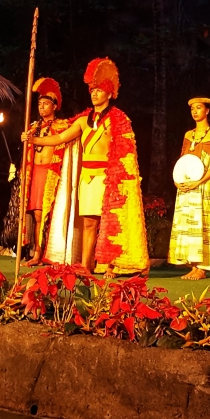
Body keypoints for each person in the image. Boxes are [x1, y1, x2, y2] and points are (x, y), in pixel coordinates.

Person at [22, 57, 149, 277]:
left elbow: (125, 156)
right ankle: (86, 265)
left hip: (109, 178)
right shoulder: (82, 121)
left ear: (109, 94)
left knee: (111, 222)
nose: (94, 94)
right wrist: (33, 140)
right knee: (90, 223)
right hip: (87, 178)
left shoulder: (118, 120)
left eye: (99, 90)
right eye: (92, 90)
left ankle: (112, 265)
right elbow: (59, 138)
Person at [168, 97, 210, 280]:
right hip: (187, 185)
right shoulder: (188, 135)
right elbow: (183, 160)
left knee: (204, 223)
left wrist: (199, 182)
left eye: (199, 108)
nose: (195, 111)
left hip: (206, 184)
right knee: (188, 222)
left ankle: (202, 268)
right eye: (192, 109)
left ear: (207, 110)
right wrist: (178, 180)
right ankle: (192, 265)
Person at [21, 77, 70, 266]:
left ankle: (50, 253)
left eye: (45, 104)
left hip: (51, 173)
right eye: (40, 104)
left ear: (54, 106)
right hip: (34, 173)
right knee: (36, 215)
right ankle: (36, 253)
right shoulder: (33, 128)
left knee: (49, 214)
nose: (41, 107)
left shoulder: (62, 126)